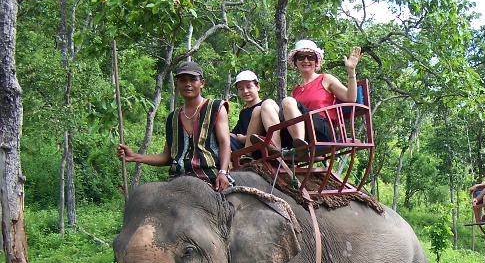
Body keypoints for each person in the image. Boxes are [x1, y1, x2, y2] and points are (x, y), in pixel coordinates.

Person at [117, 61, 232, 191]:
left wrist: (223, 172)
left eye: (193, 80)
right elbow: (166, 157)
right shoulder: (172, 118)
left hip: (209, 177)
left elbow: (224, 142)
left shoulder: (216, 107)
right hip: (177, 179)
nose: (188, 84)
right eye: (183, 80)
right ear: (177, 84)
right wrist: (134, 156)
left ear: (202, 83)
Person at [245, 39, 362, 153]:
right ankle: (273, 149)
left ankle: (301, 147)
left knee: (287, 101)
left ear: (316, 61)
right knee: (265, 106)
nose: (306, 60)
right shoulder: (296, 91)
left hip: (322, 130)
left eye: (310, 57)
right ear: (295, 62)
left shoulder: (325, 79)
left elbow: (350, 98)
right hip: (301, 132)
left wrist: (351, 70)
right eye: (301, 57)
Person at [229, 70, 263, 151]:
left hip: (262, 149)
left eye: (249, 87)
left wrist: (245, 139)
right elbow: (235, 134)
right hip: (243, 150)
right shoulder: (243, 112)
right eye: (241, 89)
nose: (245, 91)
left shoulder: (265, 106)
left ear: (258, 87)